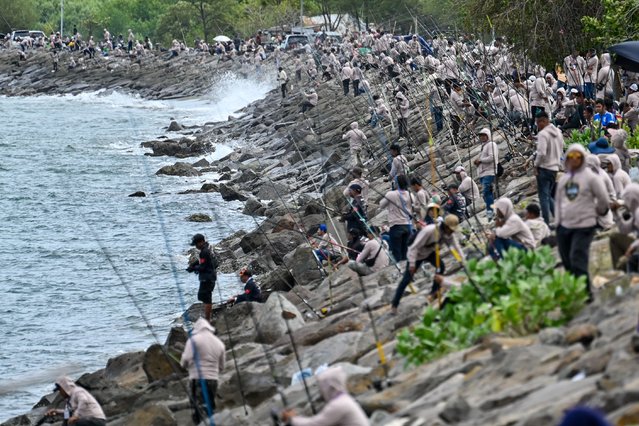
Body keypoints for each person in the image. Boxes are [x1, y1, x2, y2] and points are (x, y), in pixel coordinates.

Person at [555, 144, 610, 300]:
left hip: (584, 225)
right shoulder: (564, 179)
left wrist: (600, 212)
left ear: (583, 158)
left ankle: (587, 295)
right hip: (564, 226)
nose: (574, 160)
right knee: (567, 262)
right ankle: (576, 292)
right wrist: (558, 223)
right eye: (570, 157)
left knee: (577, 258)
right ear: (566, 159)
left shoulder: (591, 177)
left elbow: (603, 198)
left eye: (577, 157)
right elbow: (558, 202)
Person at [391, 215, 462, 312]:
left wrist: (462, 260)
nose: (452, 232)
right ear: (446, 226)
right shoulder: (430, 231)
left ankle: (433, 293)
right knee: (407, 279)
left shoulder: (449, 234)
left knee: (441, 267)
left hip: (429, 252)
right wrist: (412, 264)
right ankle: (394, 305)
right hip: (417, 255)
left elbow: (456, 247)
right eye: (451, 229)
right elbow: (413, 247)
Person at [280, 366, 369, 426]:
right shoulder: (345, 399)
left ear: (329, 386)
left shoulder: (339, 405)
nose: (321, 391)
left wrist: (292, 419)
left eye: (322, 386)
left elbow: (315, 424)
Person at [180, 317, 225, 425]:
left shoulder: (193, 340)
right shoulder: (219, 344)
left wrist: (186, 366)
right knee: (209, 405)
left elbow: (185, 360)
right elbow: (221, 367)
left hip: (197, 380)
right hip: (213, 380)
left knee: (198, 408)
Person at [534, 111, 564, 225]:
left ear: (544, 121)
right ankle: (557, 218)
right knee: (549, 195)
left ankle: (546, 223)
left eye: (538, 122)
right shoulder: (558, 132)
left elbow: (541, 152)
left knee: (543, 197)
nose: (537, 125)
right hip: (554, 168)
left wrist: (536, 165)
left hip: (544, 168)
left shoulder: (543, 134)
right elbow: (561, 149)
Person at [379, 175, 414, 261]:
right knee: (406, 251)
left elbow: (381, 205)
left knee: (396, 252)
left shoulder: (391, 194)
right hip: (408, 225)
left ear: (397, 184)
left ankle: (401, 270)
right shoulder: (410, 194)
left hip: (396, 226)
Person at [186, 234, 218, 323]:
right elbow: (202, 261)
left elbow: (203, 267)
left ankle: (208, 319)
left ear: (201, 242)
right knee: (202, 296)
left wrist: (193, 268)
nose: (196, 246)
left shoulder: (204, 252)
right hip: (209, 277)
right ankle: (207, 317)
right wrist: (194, 264)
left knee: (206, 298)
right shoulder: (206, 249)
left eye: (196, 244)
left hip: (207, 278)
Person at [611, 184, 639, 271]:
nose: (625, 203)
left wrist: (632, 246)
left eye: (626, 199)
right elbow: (624, 230)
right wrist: (615, 212)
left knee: (632, 260)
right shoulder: (635, 213)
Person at [473, 128, 498, 219]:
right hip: (483, 173)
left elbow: (492, 157)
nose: (482, 137)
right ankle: (492, 210)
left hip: (489, 172)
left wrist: (480, 160)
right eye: (481, 135)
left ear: (488, 135)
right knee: (488, 194)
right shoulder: (484, 146)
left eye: (484, 135)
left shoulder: (491, 144)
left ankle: (490, 212)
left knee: (486, 193)